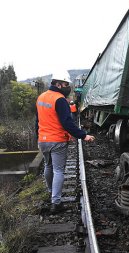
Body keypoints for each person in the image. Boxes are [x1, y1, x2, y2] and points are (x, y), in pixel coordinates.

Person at [35, 71, 95, 214]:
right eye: (66, 84)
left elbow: (37, 121)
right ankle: (56, 203)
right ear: (58, 84)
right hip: (57, 140)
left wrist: (38, 135)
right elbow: (67, 122)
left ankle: (51, 192)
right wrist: (83, 135)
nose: (67, 87)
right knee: (58, 170)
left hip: (43, 140)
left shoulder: (41, 97)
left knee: (48, 167)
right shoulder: (59, 99)